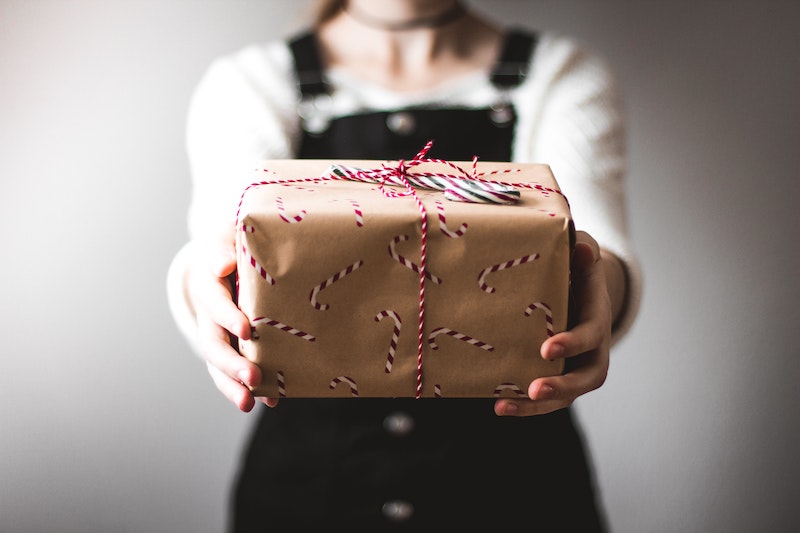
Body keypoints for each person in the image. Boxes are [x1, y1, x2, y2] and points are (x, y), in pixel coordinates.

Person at [167, 0, 642, 530]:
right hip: (308, 497)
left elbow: (595, 245)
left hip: (516, 498)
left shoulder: (559, 75)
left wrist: (601, 290)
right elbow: (220, 241)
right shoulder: (252, 82)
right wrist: (200, 283)